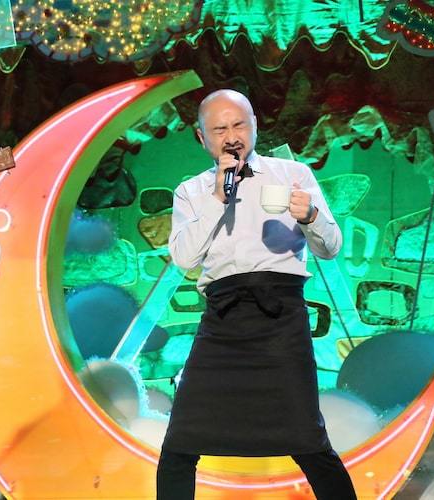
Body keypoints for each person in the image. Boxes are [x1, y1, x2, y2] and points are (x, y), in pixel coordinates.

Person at [156, 89, 356, 499]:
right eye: (219, 129)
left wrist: (311, 216)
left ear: (255, 126)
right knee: (179, 445)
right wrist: (217, 197)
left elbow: (331, 247)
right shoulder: (191, 191)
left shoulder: (292, 173)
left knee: (309, 440)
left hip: (281, 318)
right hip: (223, 321)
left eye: (239, 125)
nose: (231, 137)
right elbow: (184, 257)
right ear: (202, 138)